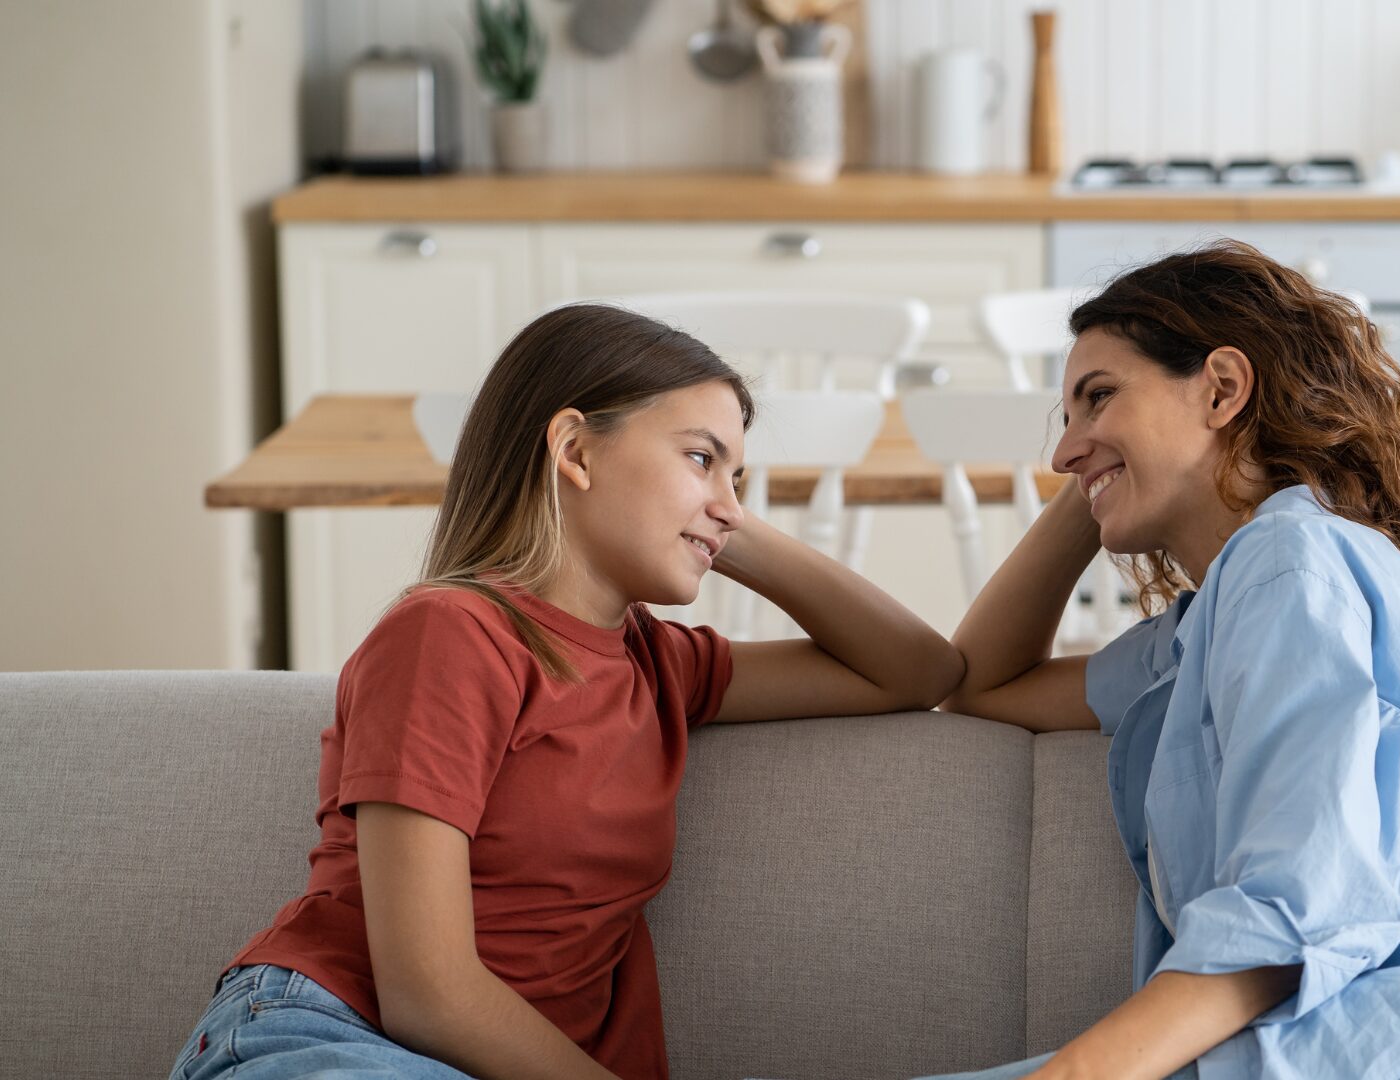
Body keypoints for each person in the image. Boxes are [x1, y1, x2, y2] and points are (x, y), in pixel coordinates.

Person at [167, 303, 964, 1080]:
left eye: (738, 474)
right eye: (699, 456)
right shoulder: (449, 634)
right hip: (328, 1038)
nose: (729, 500)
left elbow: (919, 671)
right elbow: (426, 994)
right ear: (575, 450)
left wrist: (719, 521)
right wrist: (697, 510)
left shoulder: (660, 665)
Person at [922, 240, 1400, 1080]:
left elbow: (1296, 908)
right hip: (1365, 1031)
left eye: (1098, 396)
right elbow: (979, 682)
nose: (1061, 450)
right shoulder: (1219, 618)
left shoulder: (1289, 562)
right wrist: (1106, 467)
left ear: (1223, 388)